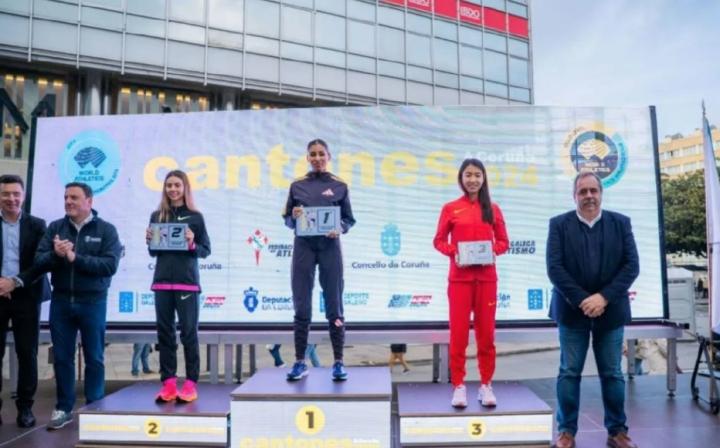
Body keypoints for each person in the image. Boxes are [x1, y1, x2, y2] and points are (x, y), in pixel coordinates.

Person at [546, 171, 639, 448]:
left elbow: (631, 266)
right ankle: (566, 432)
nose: (589, 196)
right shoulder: (559, 225)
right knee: (569, 372)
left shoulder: (620, 223)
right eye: (582, 191)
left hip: (610, 311)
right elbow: (555, 269)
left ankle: (617, 431)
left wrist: (603, 298)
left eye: (593, 191)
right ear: (574, 195)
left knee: (612, 373)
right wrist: (584, 301)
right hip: (571, 311)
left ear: (601, 193)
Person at [34, 182, 122, 431]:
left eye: (74, 197)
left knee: (95, 357)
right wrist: (56, 254)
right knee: (62, 358)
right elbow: (38, 261)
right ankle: (64, 408)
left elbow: (109, 266)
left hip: (93, 302)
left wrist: (75, 258)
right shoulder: (56, 228)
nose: (68, 202)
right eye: (66, 197)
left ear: (89, 201)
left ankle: (95, 408)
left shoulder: (106, 230)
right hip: (61, 302)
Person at [433, 158, 509, 408]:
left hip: (487, 280)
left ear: (483, 178)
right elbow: (438, 241)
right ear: (461, 178)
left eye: (477, 175)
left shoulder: (493, 209)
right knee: (458, 336)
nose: (473, 179)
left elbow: (504, 242)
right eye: (468, 175)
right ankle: (459, 385)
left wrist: (490, 251)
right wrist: (455, 252)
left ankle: (486, 384)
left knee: (486, 336)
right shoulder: (450, 208)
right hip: (460, 280)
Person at [282, 138, 355, 382]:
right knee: (302, 304)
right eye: (312, 154)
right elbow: (288, 220)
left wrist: (340, 228)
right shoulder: (297, 186)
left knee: (334, 303)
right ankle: (300, 362)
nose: (317, 158)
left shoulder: (339, 185)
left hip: (329, 248)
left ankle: (338, 362)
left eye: (321, 154)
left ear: (328, 156)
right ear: (307, 158)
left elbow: (349, 220)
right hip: (303, 247)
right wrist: (294, 216)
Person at [146, 170, 210, 403]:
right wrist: (149, 240)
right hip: (162, 283)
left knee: (189, 334)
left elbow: (205, 250)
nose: (172, 189)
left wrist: (192, 243)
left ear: (185, 188)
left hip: (187, 284)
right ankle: (169, 383)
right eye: (169, 185)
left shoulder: (196, 217)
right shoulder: (157, 215)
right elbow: (153, 252)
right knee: (164, 334)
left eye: (177, 185)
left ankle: (191, 383)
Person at [0, 175, 49, 427]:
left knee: (27, 353)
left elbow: (41, 263)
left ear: (23, 196)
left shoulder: (38, 225)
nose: (11, 198)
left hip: (27, 294)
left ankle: (25, 408)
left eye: (16, 194)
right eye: (5, 194)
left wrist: (15, 282)